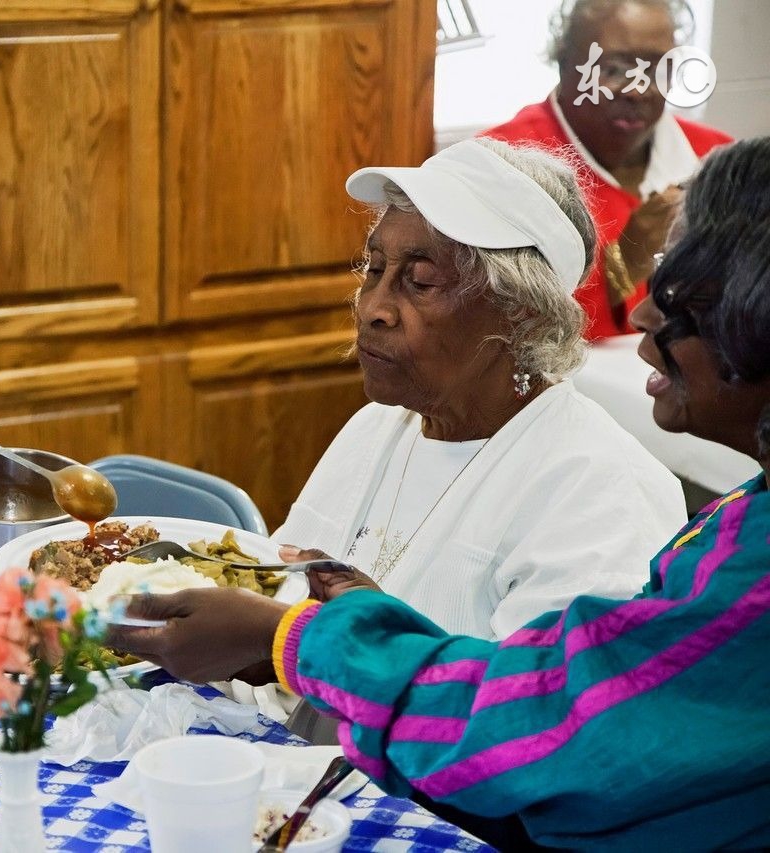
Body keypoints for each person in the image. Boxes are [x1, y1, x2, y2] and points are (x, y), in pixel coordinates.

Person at [108, 136, 770, 850]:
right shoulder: (375, 429)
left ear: (520, 314)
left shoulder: (602, 486)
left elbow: (530, 734)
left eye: (418, 282)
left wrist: (284, 638)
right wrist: (253, 638)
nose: (373, 308)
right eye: (373, 270)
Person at [483, 0, 731, 340]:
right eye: (613, 69)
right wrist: (625, 264)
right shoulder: (503, 164)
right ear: (563, 64)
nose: (637, 89)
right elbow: (508, 326)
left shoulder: (718, 160)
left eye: (658, 69)